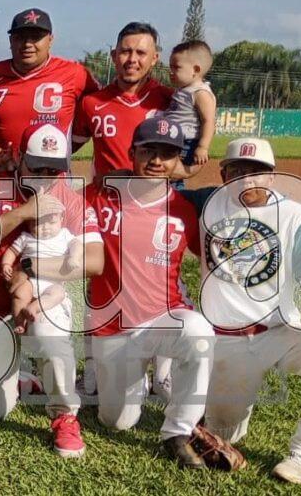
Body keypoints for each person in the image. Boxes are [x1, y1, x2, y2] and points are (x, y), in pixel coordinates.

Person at [193, 138, 301, 484]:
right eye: (238, 171)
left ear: (272, 177)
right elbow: (163, 187)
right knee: (225, 435)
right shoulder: (206, 202)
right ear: (223, 175)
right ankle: (214, 413)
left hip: (280, 330)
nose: (247, 179)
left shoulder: (294, 214)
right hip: (228, 341)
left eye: (257, 172)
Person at [0, 123, 102, 458]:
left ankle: (64, 414)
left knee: (49, 331)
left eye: (55, 169)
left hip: (42, 298)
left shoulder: (70, 198)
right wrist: (23, 213)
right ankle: (22, 378)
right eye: (37, 166)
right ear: (20, 158)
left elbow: (95, 261)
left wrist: (29, 269)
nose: (46, 175)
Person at [83, 116, 214, 468]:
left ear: (178, 161)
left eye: (167, 154)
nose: (157, 161)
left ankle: (178, 431)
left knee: (199, 332)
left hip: (162, 316)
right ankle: (131, 385)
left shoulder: (186, 209)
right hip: (112, 327)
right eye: (148, 151)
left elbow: (216, 261)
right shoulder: (99, 194)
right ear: (132, 153)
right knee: (118, 422)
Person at [0, 8, 99, 169]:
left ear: (50, 40)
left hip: (50, 177)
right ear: (10, 41)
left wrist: (71, 145)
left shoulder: (75, 74)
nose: (27, 44)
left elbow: (98, 109)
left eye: (36, 37)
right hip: (1, 175)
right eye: (20, 37)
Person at [72, 22, 176, 180]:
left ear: (154, 58)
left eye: (141, 53)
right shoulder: (91, 103)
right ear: (114, 56)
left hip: (154, 200)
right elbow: (65, 149)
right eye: (125, 52)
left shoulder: (170, 101)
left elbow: (193, 155)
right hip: (106, 201)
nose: (132, 59)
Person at [0, 204, 81, 334]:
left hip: (52, 281)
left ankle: (34, 308)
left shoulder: (64, 235)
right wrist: (6, 264)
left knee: (58, 293)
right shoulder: (26, 237)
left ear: (62, 219)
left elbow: (77, 244)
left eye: (52, 222)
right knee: (19, 295)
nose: (46, 227)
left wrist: (74, 258)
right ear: (29, 224)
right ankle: (20, 322)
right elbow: (12, 251)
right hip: (29, 280)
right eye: (38, 223)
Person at [166, 41, 217, 168]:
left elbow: (208, 121)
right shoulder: (184, 89)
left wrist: (202, 147)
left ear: (195, 70)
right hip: (173, 139)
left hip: (186, 142)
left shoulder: (200, 93)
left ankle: (178, 189)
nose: (171, 72)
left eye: (176, 67)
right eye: (170, 67)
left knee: (176, 172)